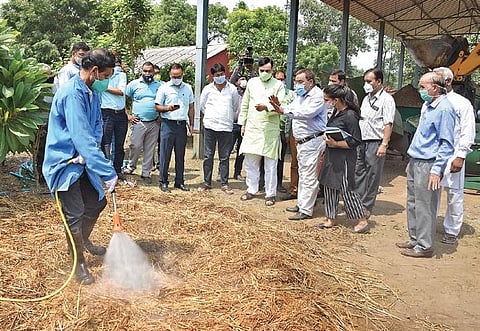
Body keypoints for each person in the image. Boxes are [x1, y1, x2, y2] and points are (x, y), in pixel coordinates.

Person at [42, 49, 118, 285]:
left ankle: (82, 240)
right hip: (64, 163)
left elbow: (95, 128)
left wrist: (90, 154)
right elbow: (80, 135)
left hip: (83, 161)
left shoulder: (92, 94)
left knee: (97, 202)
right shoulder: (71, 94)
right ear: (94, 71)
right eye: (105, 77)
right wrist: (107, 170)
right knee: (74, 213)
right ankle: (78, 263)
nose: (105, 82)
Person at [396, 72, 455, 258]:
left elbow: (447, 143)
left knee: (425, 204)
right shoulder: (428, 106)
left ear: (435, 88)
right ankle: (415, 239)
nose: (420, 91)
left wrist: (437, 170)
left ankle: (424, 246)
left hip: (428, 163)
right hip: (416, 160)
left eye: (423, 87)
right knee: (413, 202)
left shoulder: (444, 109)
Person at [269, 68, 326, 220]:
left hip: (312, 141)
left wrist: (283, 110)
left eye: (301, 82)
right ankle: (302, 204)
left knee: (309, 176)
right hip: (302, 142)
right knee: (303, 174)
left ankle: (306, 210)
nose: (297, 84)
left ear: (311, 82)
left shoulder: (317, 96)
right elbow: (291, 108)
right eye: (296, 81)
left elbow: (306, 113)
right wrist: (281, 108)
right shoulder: (300, 96)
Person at [433, 67, 476, 245]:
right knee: (431, 192)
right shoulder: (431, 103)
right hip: (433, 155)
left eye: (437, 79)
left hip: (453, 154)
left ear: (448, 82)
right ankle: (427, 225)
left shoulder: (462, 103)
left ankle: (451, 230)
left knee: (454, 194)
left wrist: (461, 155)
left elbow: (467, 131)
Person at [317, 84, 368, 232]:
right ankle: (330, 217)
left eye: (327, 99)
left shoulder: (350, 115)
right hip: (332, 155)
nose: (325, 102)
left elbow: (356, 140)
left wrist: (336, 143)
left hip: (344, 157)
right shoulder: (335, 112)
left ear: (336, 99)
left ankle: (362, 219)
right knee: (329, 185)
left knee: (347, 189)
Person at [238, 57, 286, 206]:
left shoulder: (278, 85)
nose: (265, 73)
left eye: (268, 71)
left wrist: (267, 107)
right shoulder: (252, 83)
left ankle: (270, 194)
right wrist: (242, 123)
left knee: (270, 164)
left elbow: (281, 106)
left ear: (272, 70)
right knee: (251, 162)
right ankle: (251, 189)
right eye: (262, 70)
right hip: (252, 127)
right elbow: (245, 103)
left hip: (270, 128)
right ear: (258, 70)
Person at [354, 68, 396, 219]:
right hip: (362, 140)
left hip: (375, 141)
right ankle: (356, 203)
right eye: (365, 81)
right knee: (359, 172)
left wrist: (384, 144)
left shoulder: (387, 100)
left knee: (373, 174)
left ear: (378, 82)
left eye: (369, 81)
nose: (366, 84)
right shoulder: (366, 99)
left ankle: (367, 206)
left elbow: (388, 123)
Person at [198, 63, 239, 194]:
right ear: (212, 76)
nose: (220, 77)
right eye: (217, 75)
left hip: (226, 127)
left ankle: (224, 182)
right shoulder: (207, 89)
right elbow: (202, 106)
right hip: (210, 126)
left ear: (225, 74)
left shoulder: (232, 89)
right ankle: (206, 182)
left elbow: (235, 105)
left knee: (224, 156)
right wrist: (212, 116)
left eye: (221, 74)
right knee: (208, 155)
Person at [155, 63, 194, 192]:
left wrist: (192, 123)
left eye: (179, 76)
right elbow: (157, 106)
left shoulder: (188, 88)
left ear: (182, 75)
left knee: (180, 155)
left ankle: (179, 181)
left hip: (181, 124)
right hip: (168, 124)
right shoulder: (164, 88)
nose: (176, 78)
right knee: (165, 154)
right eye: (174, 76)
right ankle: (163, 181)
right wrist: (168, 108)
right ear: (170, 75)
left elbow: (191, 106)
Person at [123, 62, 163, 184]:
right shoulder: (134, 84)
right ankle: (131, 166)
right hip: (138, 122)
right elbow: (122, 98)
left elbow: (165, 100)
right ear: (142, 71)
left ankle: (146, 173)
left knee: (150, 149)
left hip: (154, 122)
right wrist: (127, 115)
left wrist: (161, 115)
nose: (147, 73)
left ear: (153, 72)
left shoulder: (160, 86)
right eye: (145, 71)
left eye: (149, 71)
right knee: (135, 146)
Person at [100, 57, 128, 181]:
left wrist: (103, 87)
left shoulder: (121, 75)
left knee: (119, 144)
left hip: (120, 114)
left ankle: (117, 170)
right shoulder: (99, 76)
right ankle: (105, 171)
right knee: (105, 143)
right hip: (106, 113)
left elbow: (121, 91)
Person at [231, 76, 248, 181]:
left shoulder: (249, 93)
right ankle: (221, 172)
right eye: (240, 79)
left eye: (244, 79)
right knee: (227, 150)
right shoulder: (233, 91)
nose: (242, 81)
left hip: (244, 126)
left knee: (241, 152)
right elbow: (231, 80)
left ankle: (237, 172)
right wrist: (239, 66)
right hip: (232, 124)